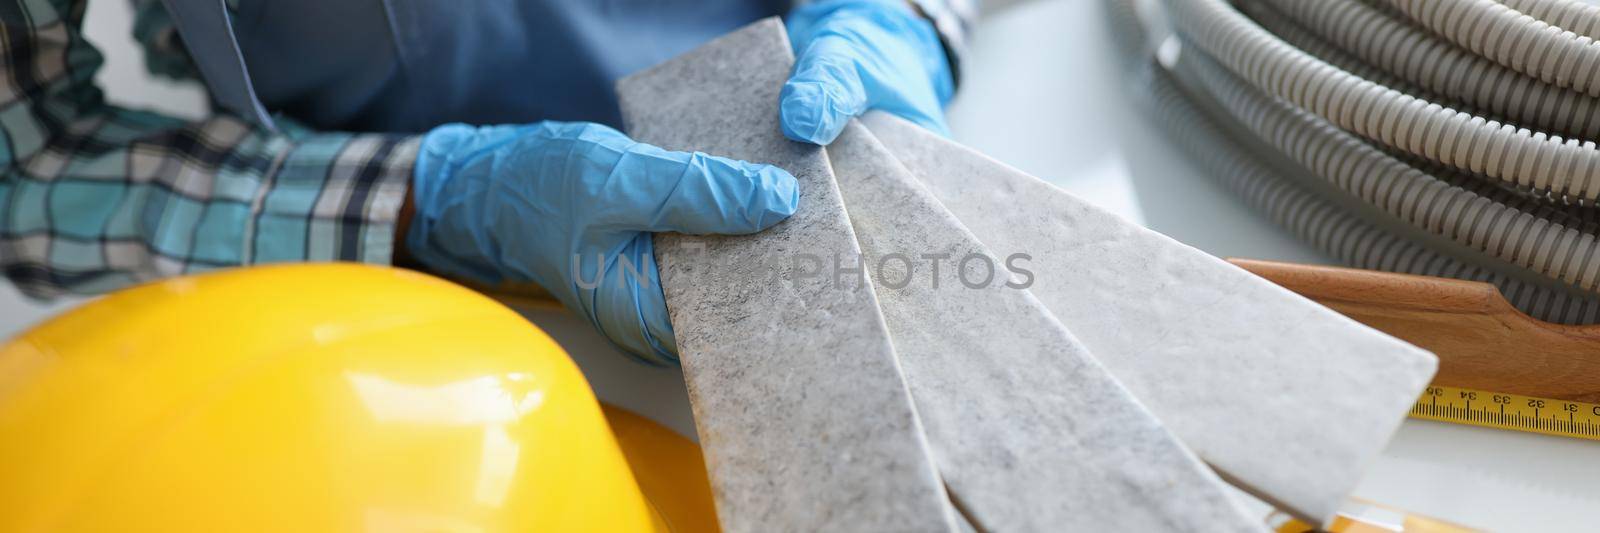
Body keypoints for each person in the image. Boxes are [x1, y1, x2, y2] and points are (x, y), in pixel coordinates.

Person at [0, 0, 973, 364]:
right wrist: (442, 195)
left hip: (824, 88)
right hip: (448, 318)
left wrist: (907, 16)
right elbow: (30, 158)